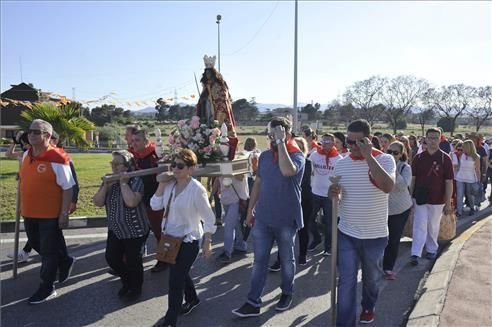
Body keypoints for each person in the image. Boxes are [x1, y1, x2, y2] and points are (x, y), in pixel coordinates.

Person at [232, 117, 305, 317]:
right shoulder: (264, 156)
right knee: (259, 262)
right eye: (269, 134)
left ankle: (287, 293)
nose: (270, 138)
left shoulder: (296, 155)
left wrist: (281, 143)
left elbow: (287, 170)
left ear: (286, 134)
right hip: (263, 217)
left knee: (287, 259)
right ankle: (253, 302)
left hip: (286, 219)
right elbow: (258, 183)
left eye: (274, 134)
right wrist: (249, 211)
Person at [329, 119, 395, 325]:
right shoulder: (340, 163)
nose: (353, 146)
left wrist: (368, 156)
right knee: (347, 281)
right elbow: (337, 196)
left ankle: (368, 305)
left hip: (375, 235)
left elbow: (387, 186)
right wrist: (333, 194)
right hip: (347, 232)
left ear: (368, 140)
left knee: (371, 280)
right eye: (349, 142)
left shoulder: (385, 160)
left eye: (358, 142)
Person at [151, 149, 216, 327]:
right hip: (170, 240)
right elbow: (155, 205)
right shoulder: (170, 185)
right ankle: (193, 299)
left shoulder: (197, 190)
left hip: (189, 240)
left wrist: (207, 242)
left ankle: (170, 320)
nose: (175, 169)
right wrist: (162, 184)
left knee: (175, 280)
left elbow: (209, 219)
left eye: (180, 166)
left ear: (191, 168)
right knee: (181, 273)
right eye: (173, 165)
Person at [19, 119, 76, 304]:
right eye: (30, 131)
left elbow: (68, 188)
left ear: (47, 136)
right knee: (38, 245)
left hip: (50, 215)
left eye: (36, 132)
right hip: (29, 212)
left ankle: (47, 287)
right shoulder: (27, 154)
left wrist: (64, 213)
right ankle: (64, 260)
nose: (31, 134)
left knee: (48, 253)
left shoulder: (58, 158)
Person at [93, 150, 149, 301]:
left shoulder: (135, 180)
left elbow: (132, 202)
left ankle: (136, 288)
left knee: (133, 261)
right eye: (113, 163)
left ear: (127, 166)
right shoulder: (109, 180)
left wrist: (123, 183)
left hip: (134, 230)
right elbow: (97, 202)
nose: (114, 166)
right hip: (116, 229)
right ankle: (126, 281)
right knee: (112, 258)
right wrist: (105, 186)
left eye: (117, 164)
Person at [410, 127, 454, 266]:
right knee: (419, 224)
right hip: (420, 197)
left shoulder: (445, 158)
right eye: (430, 138)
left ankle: (431, 249)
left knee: (433, 225)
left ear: (440, 139)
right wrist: (411, 198)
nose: (433, 141)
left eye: (436, 138)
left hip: (438, 199)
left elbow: (449, 182)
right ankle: (415, 253)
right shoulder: (419, 157)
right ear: (425, 139)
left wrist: (448, 203)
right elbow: (413, 179)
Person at [269, 136, 312, 270]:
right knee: (284, 232)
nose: (295, 148)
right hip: (286, 201)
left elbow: (302, 183)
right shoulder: (283, 162)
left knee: (303, 229)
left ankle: (302, 255)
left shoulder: (307, 163)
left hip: (304, 199)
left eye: (298, 146)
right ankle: (280, 260)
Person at [131, 129, 167, 273]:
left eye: (137, 140)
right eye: (133, 141)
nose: (134, 143)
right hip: (141, 200)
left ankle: (164, 260)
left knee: (160, 232)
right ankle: (131, 259)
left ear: (146, 142)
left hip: (155, 201)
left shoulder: (154, 156)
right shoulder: (135, 156)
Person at [307, 133, 342, 256]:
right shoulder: (315, 155)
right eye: (324, 141)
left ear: (333, 143)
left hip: (329, 196)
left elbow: (341, 178)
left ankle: (328, 247)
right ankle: (316, 238)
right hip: (315, 192)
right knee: (309, 219)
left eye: (329, 142)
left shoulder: (338, 159)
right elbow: (308, 170)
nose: (326, 144)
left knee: (329, 223)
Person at [196, 55, 238, 159]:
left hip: (217, 111)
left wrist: (214, 99)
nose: (208, 75)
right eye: (207, 73)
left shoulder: (219, 84)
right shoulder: (206, 85)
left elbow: (224, 97)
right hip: (207, 107)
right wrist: (203, 100)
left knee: (221, 129)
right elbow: (203, 97)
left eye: (210, 73)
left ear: (213, 73)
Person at [382, 141, 413, 280]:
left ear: (401, 154)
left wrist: (393, 168)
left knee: (393, 239)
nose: (392, 155)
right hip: (382, 208)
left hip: (400, 209)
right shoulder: (381, 165)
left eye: (395, 153)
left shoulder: (405, 167)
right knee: (380, 239)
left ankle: (388, 268)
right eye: (389, 152)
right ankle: (376, 265)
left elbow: (402, 184)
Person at [216, 174, 249, 264]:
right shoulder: (221, 160)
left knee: (229, 225)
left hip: (237, 198)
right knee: (235, 224)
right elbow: (217, 177)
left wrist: (226, 169)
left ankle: (227, 253)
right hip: (225, 197)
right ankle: (241, 245)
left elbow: (241, 176)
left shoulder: (239, 159)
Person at [453, 140, 481, 217]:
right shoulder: (461, 154)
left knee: (470, 195)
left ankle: (472, 208)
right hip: (460, 177)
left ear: (468, 147)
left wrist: (478, 181)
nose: (462, 148)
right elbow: (459, 165)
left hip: (471, 179)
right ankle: (459, 211)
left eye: (464, 146)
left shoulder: (476, 157)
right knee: (459, 195)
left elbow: (478, 170)